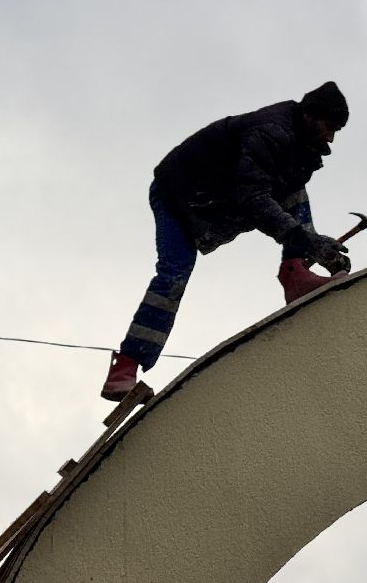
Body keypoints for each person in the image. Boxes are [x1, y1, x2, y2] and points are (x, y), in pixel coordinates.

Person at [101, 81, 353, 401]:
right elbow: (254, 200)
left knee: (295, 192)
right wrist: (308, 242)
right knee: (174, 273)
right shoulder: (270, 133)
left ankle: (295, 274)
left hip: (215, 200)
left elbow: (278, 198)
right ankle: (125, 367)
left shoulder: (302, 151)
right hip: (178, 196)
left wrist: (306, 244)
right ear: (309, 115)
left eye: (336, 131)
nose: (330, 137)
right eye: (329, 127)